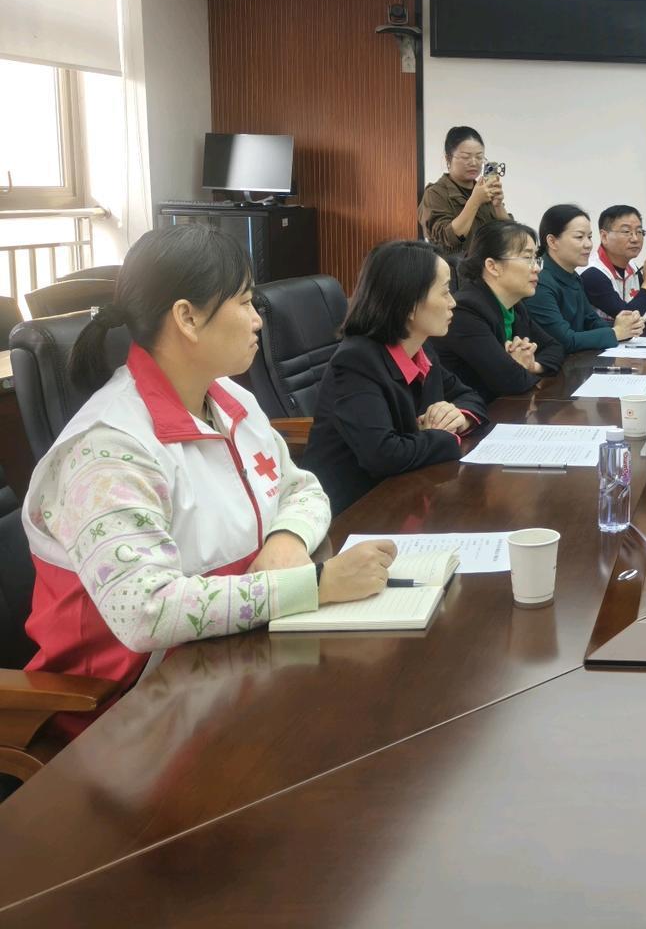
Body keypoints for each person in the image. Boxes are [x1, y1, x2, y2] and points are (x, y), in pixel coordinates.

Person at [19, 225, 395, 716]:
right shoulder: (106, 450)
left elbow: (302, 489)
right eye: (245, 302)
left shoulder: (230, 400)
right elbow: (147, 611)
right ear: (187, 318)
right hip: (125, 714)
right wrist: (316, 584)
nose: (258, 320)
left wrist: (287, 541)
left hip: (231, 669)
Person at [302, 240, 489, 516]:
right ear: (409, 304)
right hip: (355, 512)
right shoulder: (356, 362)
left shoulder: (421, 349)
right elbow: (383, 455)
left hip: (409, 493)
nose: (453, 302)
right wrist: (445, 437)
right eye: (445, 291)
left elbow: (470, 396)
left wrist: (458, 417)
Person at [437, 220, 566, 401]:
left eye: (536, 258)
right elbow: (511, 381)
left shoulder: (515, 306)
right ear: (493, 266)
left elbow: (556, 348)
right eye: (527, 258)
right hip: (468, 412)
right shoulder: (465, 311)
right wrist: (516, 368)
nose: (537, 268)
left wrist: (532, 366)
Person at [526, 204, 646, 352]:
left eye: (589, 237)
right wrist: (616, 333)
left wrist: (624, 327)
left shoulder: (573, 276)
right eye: (579, 237)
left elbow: (591, 321)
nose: (588, 244)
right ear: (552, 241)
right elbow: (564, 340)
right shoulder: (539, 281)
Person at [417, 125, 513, 253]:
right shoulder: (435, 193)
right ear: (448, 158)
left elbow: (511, 236)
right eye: (466, 157)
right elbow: (448, 238)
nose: (474, 162)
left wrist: (498, 205)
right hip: (454, 265)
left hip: (488, 263)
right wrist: (475, 201)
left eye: (479, 157)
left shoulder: (484, 190)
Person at [581, 204, 646, 320]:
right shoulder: (593, 273)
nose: (635, 239)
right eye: (626, 232)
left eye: (639, 232)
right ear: (604, 237)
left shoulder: (631, 267)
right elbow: (627, 319)